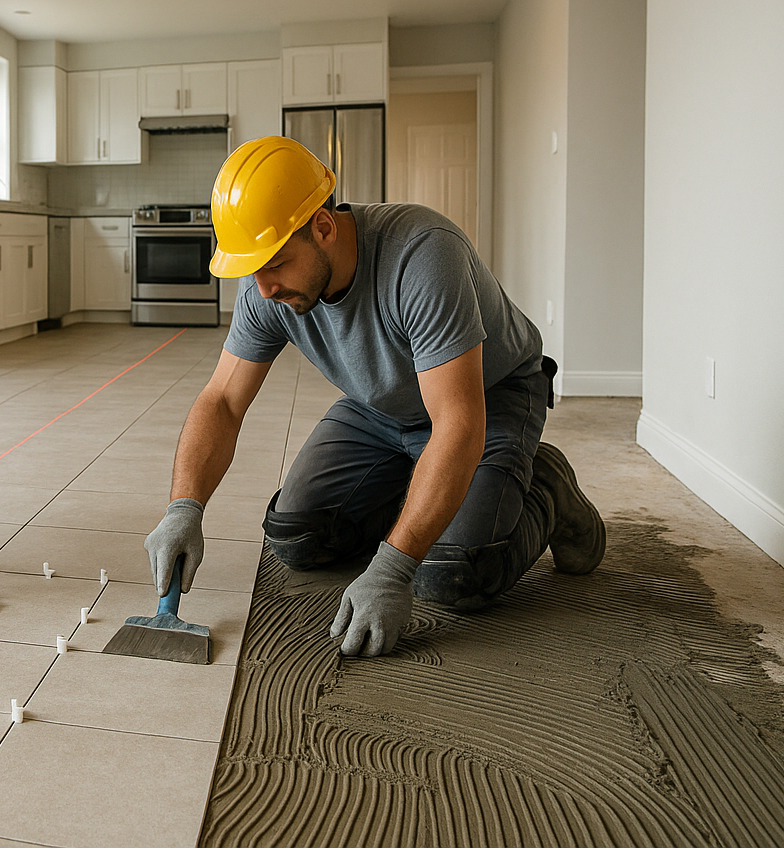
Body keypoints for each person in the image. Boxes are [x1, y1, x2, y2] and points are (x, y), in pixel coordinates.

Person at [144, 136, 605, 657]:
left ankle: (545, 484)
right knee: (297, 536)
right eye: (251, 268)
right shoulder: (266, 289)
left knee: (454, 572)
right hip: (380, 407)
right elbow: (223, 401)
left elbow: (457, 423)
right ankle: (431, 487)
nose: (263, 287)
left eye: (273, 263)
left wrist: (392, 568)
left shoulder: (423, 255)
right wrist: (184, 508)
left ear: (323, 226)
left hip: (487, 399)